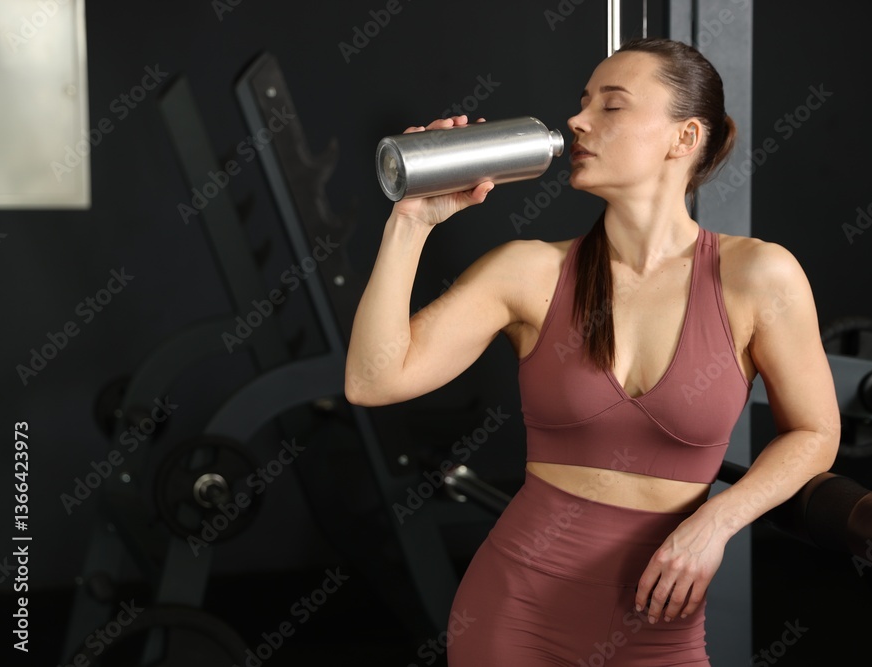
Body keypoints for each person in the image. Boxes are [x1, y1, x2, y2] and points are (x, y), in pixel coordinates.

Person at [345, 37, 840, 666]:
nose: (577, 121)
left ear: (683, 138)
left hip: (659, 624)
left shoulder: (758, 276)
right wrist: (411, 221)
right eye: (582, 103)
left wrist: (715, 523)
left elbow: (816, 433)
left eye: (611, 106)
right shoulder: (527, 272)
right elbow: (372, 380)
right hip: (513, 613)